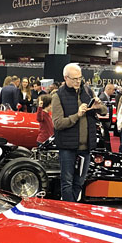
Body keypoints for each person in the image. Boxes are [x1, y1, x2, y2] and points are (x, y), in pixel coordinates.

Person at [51, 63, 107, 202]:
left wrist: (99, 106)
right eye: (74, 78)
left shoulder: (87, 91)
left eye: (80, 78)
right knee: (67, 181)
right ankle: (69, 208)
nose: (78, 81)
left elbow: (104, 111)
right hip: (67, 147)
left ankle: (71, 206)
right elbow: (58, 123)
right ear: (66, 78)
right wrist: (77, 115)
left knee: (79, 181)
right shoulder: (58, 96)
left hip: (86, 147)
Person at [96, 82, 116, 149]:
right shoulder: (102, 98)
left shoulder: (106, 97)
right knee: (105, 139)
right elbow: (100, 112)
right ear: (108, 89)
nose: (114, 91)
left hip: (105, 122)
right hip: (103, 122)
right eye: (113, 90)